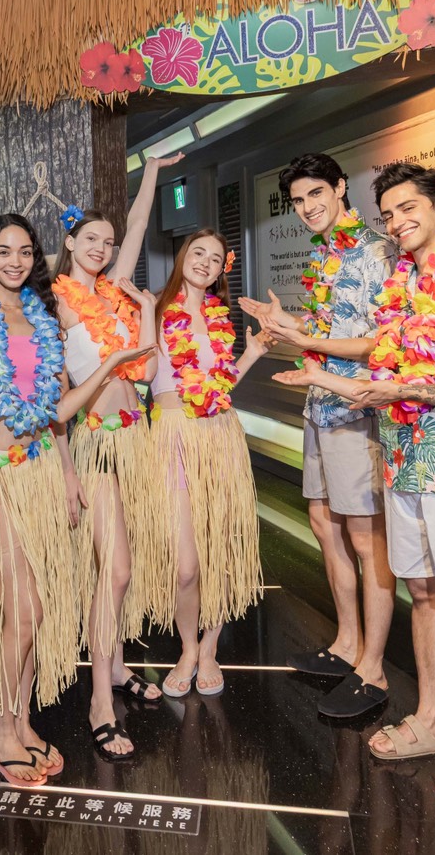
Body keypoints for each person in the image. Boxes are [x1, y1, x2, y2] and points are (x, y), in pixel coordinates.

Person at [274, 163, 435, 810]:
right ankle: (431, 720)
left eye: (408, 208)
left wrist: (408, 391)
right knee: (423, 595)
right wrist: (324, 378)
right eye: (388, 213)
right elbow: (382, 375)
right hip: (405, 464)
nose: (396, 222)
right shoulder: (401, 284)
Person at [0, 213, 154, 788]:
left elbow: (56, 413)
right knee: (24, 606)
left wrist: (68, 468)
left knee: (30, 608)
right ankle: (1, 735)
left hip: (37, 472)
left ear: (36, 257)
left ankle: (22, 723)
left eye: (25, 252)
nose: (15, 261)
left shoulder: (44, 322)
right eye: (4, 251)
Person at [239, 153, 397, 719]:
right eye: (298, 200)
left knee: (365, 538)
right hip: (320, 404)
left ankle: (373, 667)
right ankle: (347, 643)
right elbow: (331, 328)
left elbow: (381, 342)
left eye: (316, 194)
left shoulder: (377, 252)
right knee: (323, 524)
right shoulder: (326, 254)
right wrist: (287, 325)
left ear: (339, 188)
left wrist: (311, 345)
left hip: (356, 407)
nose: (307, 207)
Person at [51, 153, 181, 762]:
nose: (102, 249)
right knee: (117, 570)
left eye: (108, 241)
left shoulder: (113, 292)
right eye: (91, 240)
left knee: (126, 563)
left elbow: (138, 226)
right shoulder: (57, 303)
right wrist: (66, 469)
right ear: (69, 242)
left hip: (136, 438)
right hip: (98, 442)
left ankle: (120, 666)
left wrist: (151, 172)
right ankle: (100, 701)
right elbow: (55, 397)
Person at [149, 229, 271, 698]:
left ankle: (209, 648)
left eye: (215, 258)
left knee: (217, 550)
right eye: (197, 252)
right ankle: (186, 647)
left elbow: (218, 388)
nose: (205, 262)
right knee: (185, 565)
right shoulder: (154, 309)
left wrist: (252, 354)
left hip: (219, 435)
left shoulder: (221, 317)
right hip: (172, 436)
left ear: (223, 269)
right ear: (183, 257)